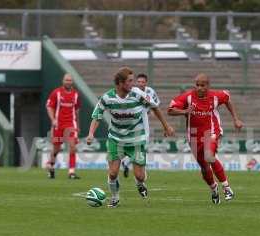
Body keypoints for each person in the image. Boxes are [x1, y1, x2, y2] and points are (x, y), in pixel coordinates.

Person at [86, 67, 174, 208]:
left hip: (136, 140)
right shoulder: (108, 97)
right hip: (115, 139)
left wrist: (166, 126)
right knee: (113, 173)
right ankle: (115, 198)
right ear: (120, 83)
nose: (133, 84)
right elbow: (97, 115)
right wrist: (91, 133)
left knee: (140, 176)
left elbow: (155, 107)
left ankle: (140, 184)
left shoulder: (138, 94)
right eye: (130, 81)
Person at [168, 73, 244, 204]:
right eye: (197, 85)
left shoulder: (215, 96)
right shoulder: (188, 97)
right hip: (193, 136)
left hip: (212, 131)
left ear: (208, 86)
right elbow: (170, 110)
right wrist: (184, 112)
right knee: (204, 167)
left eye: (202, 85)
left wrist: (236, 119)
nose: (199, 88)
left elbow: (227, 98)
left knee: (209, 156)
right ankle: (214, 189)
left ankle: (226, 187)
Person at [121, 73, 160, 178]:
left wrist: (150, 111)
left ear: (146, 83)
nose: (140, 84)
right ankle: (132, 164)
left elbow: (156, 104)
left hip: (143, 120)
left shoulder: (150, 92)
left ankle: (127, 162)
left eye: (142, 82)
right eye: (138, 82)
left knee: (142, 144)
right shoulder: (132, 91)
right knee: (138, 145)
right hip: (132, 121)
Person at [46, 73, 81, 179]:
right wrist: (53, 120)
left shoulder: (76, 94)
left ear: (72, 82)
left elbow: (77, 110)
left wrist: (78, 125)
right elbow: (49, 107)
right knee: (56, 148)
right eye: (66, 80)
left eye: (70, 80)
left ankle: (71, 172)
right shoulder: (56, 92)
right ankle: (50, 165)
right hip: (58, 125)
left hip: (71, 124)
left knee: (72, 146)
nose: (68, 82)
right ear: (63, 81)